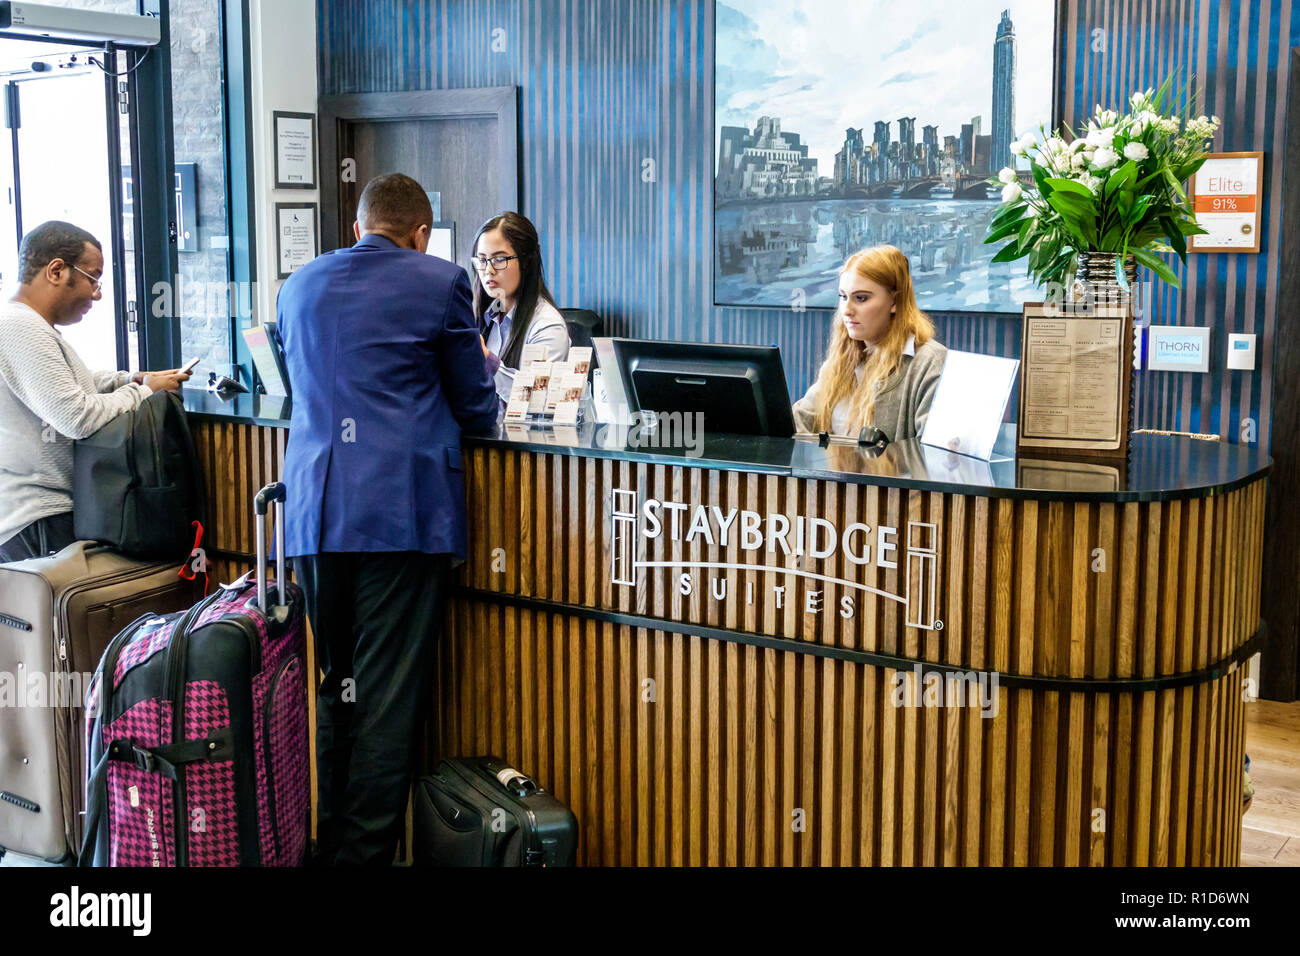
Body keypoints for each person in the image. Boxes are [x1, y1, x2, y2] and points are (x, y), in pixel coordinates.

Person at [274, 172, 498, 867]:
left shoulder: (297, 285)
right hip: (398, 517)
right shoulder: (438, 281)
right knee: (385, 701)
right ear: (420, 233)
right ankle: (361, 859)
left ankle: (325, 843)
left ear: (357, 228)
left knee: (334, 687)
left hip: (313, 513)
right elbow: (478, 408)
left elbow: (298, 383)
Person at [0, 220, 190, 564]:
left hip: (38, 514)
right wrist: (144, 392)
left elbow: (70, 380)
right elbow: (76, 416)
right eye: (93, 278)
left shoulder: (25, 324)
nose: (97, 293)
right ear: (56, 270)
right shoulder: (20, 327)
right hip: (36, 518)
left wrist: (130, 379)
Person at [792, 245, 947, 442]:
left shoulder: (930, 361)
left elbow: (933, 452)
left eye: (861, 298)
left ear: (894, 302)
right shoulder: (843, 359)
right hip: (836, 473)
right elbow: (800, 423)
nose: (846, 310)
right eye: (843, 296)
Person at [469, 211, 570, 405]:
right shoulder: (484, 316)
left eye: (499, 259)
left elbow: (537, 399)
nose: (488, 271)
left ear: (526, 262)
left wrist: (487, 361)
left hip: (523, 435)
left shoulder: (547, 325)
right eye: (482, 260)